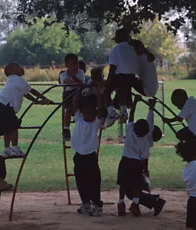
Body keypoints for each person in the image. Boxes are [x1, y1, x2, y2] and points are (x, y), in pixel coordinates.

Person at [0, 62, 51, 157]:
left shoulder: (11, 81)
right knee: (14, 127)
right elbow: (32, 91)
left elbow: (26, 94)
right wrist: (43, 99)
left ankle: (7, 150)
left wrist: (38, 101)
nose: (22, 68)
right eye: (19, 67)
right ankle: (15, 149)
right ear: (13, 71)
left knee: (7, 129)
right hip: (6, 105)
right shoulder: (18, 79)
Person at [125, 98, 166, 217]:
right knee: (134, 189)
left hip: (134, 165)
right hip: (137, 166)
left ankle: (154, 202)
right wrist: (150, 108)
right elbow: (149, 120)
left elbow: (149, 121)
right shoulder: (146, 138)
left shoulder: (145, 138)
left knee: (131, 190)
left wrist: (138, 105)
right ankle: (151, 202)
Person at [71, 86, 105, 216]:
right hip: (78, 156)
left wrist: (98, 95)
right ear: (83, 112)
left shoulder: (95, 122)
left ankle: (96, 204)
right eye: (87, 112)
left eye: (92, 112)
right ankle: (85, 203)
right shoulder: (78, 119)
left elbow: (100, 109)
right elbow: (74, 103)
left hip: (90, 156)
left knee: (94, 180)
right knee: (80, 180)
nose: (89, 115)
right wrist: (79, 91)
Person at [116, 95, 150, 217]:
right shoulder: (145, 142)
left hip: (125, 161)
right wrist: (146, 171)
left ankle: (121, 203)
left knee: (123, 184)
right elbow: (145, 158)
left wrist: (135, 102)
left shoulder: (130, 130)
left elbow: (132, 115)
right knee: (137, 185)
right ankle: (134, 204)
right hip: (136, 164)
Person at [105, 28, 139, 128]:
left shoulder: (116, 50)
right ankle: (123, 112)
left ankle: (111, 113)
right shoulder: (133, 49)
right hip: (131, 78)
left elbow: (113, 68)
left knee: (105, 92)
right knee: (121, 92)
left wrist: (107, 81)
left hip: (120, 77)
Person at [60, 54, 86, 141]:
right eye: (73, 64)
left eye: (77, 64)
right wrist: (75, 82)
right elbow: (66, 82)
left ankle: (81, 126)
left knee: (83, 107)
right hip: (68, 94)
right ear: (67, 65)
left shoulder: (81, 72)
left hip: (79, 94)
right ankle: (66, 129)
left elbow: (81, 84)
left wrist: (73, 77)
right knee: (68, 109)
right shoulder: (63, 74)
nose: (76, 66)